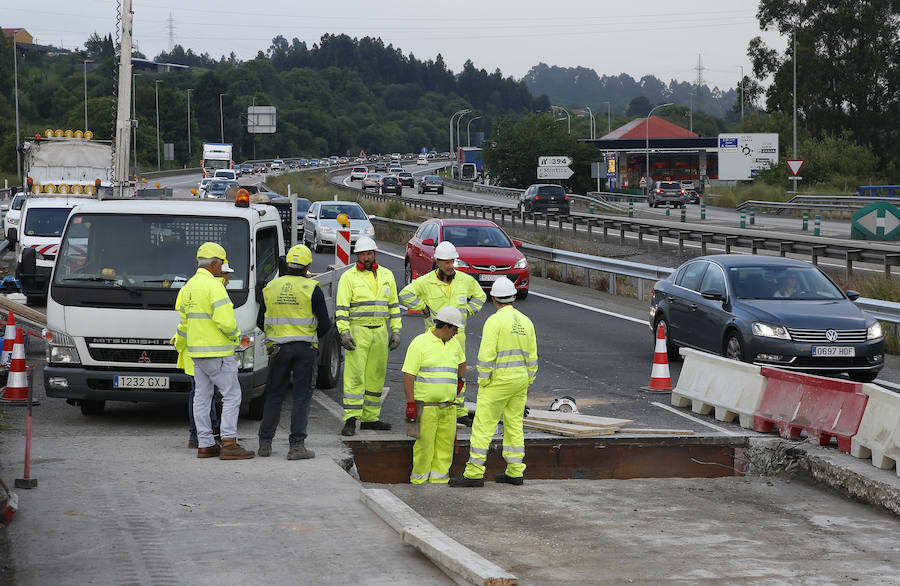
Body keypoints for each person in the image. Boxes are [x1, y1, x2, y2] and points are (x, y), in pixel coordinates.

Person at [450, 277, 537, 487]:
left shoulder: (494, 321)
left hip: (498, 381)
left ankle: (474, 473)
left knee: (483, 425)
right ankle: (515, 471)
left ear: (494, 299)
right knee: (514, 424)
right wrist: (528, 380)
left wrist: (484, 380)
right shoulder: (526, 321)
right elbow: (532, 357)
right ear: (514, 297)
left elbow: (486, 356)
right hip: (520, 380)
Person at [176, 242, 255, 460]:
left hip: (197, 354)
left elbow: (183, 324)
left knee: (201, 397)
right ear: (213, 264)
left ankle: (205, 444)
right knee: (232, 395)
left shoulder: (188, 287)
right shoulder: (214, 286)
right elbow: (226, 322)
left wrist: (182, 347)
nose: (222, 268)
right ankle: (229, 443)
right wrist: (235, 337)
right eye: (221, 264)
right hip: (218, 352)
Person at [398, 240, 486, 426]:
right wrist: (422, 307)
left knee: (457, 374)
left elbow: (480, 296)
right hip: (434, 338)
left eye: (452, 261)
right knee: (436, 374)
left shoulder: (464, 280)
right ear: (437, 261)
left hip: (458, 336)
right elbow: (405, 295)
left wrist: (468, 311)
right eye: (446, 262)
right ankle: (434, 405)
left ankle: (459, 410)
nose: (450, 265)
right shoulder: (426, 282)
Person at [256, 244, 331, 460]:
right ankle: (297, 446)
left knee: (274, 394)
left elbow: (261, 321)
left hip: (278, 349)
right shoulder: (311, 288)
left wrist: (277, 336)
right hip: (304, 349)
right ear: (307, 266)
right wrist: (310, 337)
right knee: (301, 396)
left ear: (287, 263)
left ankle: (265, 444)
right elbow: (325, 324)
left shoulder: (270, 287)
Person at [336, 236, 402, 436]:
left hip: (380, 332)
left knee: (376, 376)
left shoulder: (387, 275)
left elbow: (393, 306)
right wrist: (344, 332)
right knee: (354, 376)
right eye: (363, 254)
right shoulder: (349, 277)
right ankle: (350, 419)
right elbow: (342, 308)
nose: (366, 257)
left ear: (375, 254)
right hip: (358, 331)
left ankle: (370, 418)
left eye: (369, 253)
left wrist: (396, 330)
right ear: (357, 256)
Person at [402, 306, 466, 485]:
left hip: (448, 407)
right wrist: (410, 404)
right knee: (424, 446)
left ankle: (439, 480)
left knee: (445, 446)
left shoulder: (454, 343)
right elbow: (409, 374)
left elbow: (462, 361)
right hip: (425, 407)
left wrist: (460, 380)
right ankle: (419, 480)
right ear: (446, 326)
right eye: (455, 329)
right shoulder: (420, 343)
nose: (457, 333)